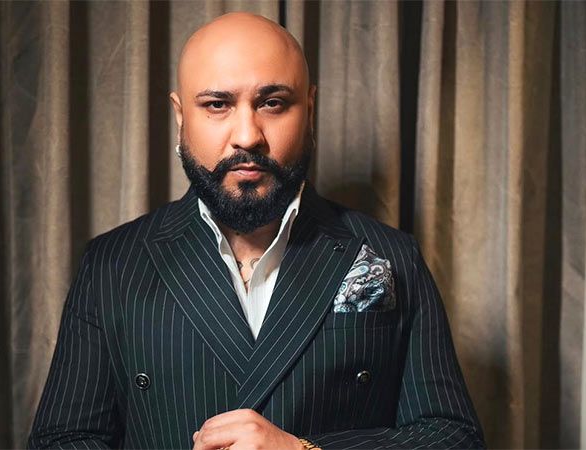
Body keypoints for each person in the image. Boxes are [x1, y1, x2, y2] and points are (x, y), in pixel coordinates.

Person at [28, 12, 485, 450]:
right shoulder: (112, 264)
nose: (247, 136)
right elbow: (61, 440)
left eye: (272, 103)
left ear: (310, 109)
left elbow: (454, 437)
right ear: (180, 115)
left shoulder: (393, 255)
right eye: (217, 105)